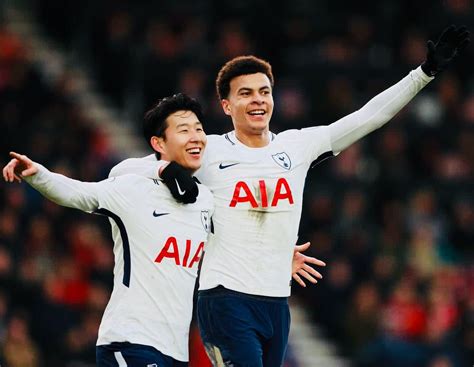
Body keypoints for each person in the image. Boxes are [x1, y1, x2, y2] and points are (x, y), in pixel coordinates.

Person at [108, 25, 470, 366]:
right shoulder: (208, 151)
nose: (257, 100)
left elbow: (368, 117)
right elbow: (124, 171)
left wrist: (424, 72)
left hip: (276, 303)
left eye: (264, 91)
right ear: (225, 105)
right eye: (245, 93)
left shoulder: (297, 146)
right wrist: (165, 171)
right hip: (224, 299)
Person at [2, 93, 214, 366]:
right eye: (184, 130)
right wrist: (39, 174)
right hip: (131, 340)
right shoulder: (132, 188)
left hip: (175, 351)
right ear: (158, 143)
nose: (195, 136)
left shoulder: (206, 200)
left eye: (199, 129)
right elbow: (80, 193)